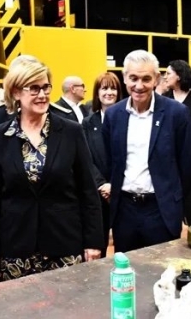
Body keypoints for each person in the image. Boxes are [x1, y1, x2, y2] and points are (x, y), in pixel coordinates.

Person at [0, 59, 104, 283]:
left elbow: (88, 191)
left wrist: (93, 242)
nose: (42, 94)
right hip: (16, 247)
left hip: (64, 244)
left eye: (46, 87)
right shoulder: (0, 135)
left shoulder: (71, 131)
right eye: (34, 88)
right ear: (16, 92)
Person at [102, 50, 191, 253]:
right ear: (125, 78)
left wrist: (174, 202)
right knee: (127, 273)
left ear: (156, 79)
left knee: (163, 273)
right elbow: (110, 162)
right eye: (133, 78)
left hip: (160, 209)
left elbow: (187, 164)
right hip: (124, 210)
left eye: (146, 79)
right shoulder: (113, 116)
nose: (139, 85)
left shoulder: (176, 114)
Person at [82, 72, 122, 257]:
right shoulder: (88, 123)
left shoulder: (127, 119)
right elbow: (85, 158)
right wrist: (102, 184)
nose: (109, 92)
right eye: (104, 88)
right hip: (98, 193)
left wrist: (115, 184)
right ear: (97, 93)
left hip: (122, 190)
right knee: (99, 245)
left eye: (113, 88)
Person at [164, 60, 191, 224]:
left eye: (168, 73)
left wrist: (182, 126)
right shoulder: (166, 97)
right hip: (171, 155)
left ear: (179, 75)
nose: (165, 77)